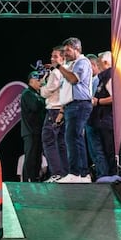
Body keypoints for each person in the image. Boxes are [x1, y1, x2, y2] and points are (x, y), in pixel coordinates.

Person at [56, 37, 93, 183]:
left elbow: (74, 79)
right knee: (75, 138)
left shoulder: (82, 62)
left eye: (68, 50)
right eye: (64, 51)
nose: (65, 53)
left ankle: (76, 173)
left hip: (80, 104)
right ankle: (83, 175)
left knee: (72, 138)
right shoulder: (71, 64)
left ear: (77, 49)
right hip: (73, 106)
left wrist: (59, 67)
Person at [30, 46, 69, 183]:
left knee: (49, 141)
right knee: (60, 142)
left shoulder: (56, 72)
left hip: (54, 110)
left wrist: (42, 85)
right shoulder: (65, 71)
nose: (52, 59)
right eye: (52, 56)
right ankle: (64, 173)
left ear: (63, 58)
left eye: (56, 56)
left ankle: (58, 173)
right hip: (61, 109)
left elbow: (47, 91)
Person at [88, 51, 117, 180]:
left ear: (105, 63)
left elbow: (116, 97)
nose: (97, 67)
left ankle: (109, 177)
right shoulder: (103, 77)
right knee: (101, 152)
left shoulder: (110, 75)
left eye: (98, 64)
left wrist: (98, 101)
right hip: (100, 121)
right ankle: (104, 177)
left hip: (106, 120)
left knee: (107, 152)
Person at [20, 70, 46, 182]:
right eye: (38, 80)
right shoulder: (27, 93)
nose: (40, 82)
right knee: (30, 156)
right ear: (31, 81)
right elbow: (35, 107)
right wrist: (43, 100)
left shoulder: (37, 94)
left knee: (37, 156)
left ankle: (36, 177)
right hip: (30, 131)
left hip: (38, 130)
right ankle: (27, 179)